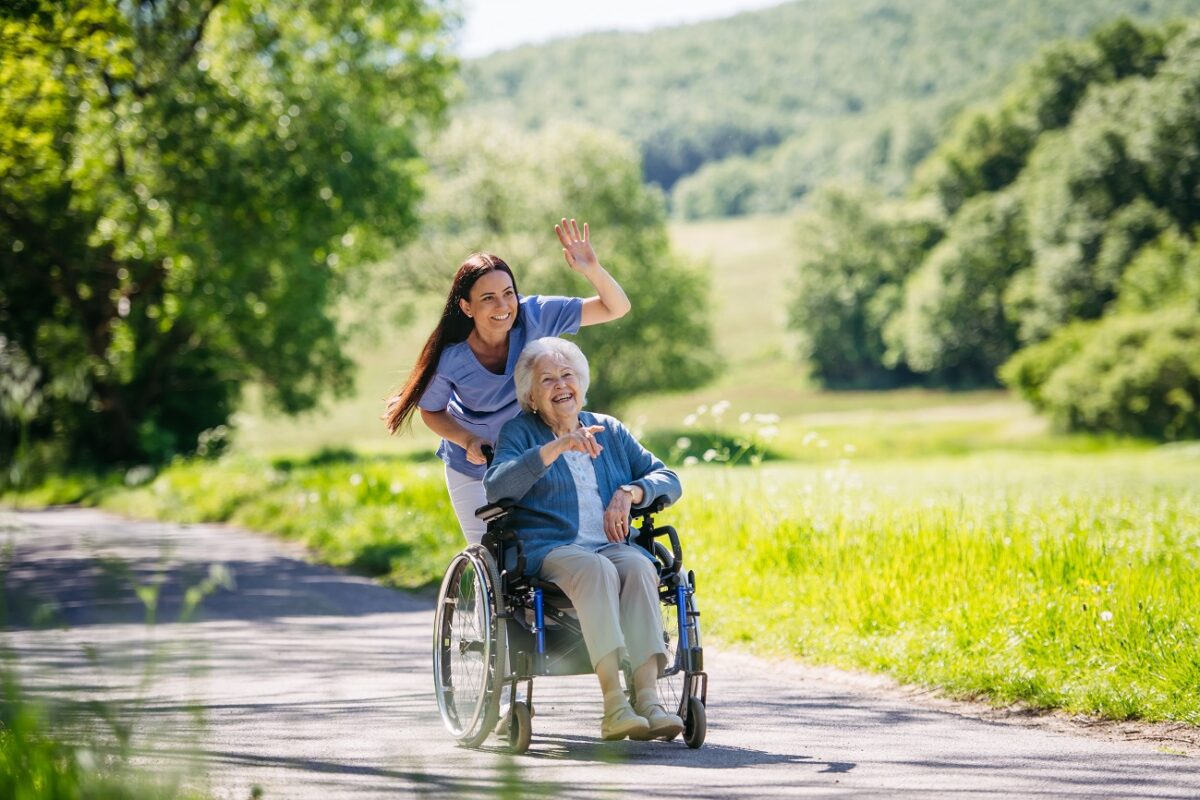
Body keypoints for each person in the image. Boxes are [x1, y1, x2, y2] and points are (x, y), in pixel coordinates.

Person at [484, 337, 685, 742]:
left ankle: (648, 700)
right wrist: (554, 448)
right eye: (547, 379)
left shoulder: (609, 429)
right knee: (596, 569)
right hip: (551, 550)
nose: (561, 385)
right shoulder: (520, 433)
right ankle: (615, 705)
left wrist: (630, 493)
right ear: (531, 395)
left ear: (582, 382)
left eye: (567, 375)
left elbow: (668, 478)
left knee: (640, 565)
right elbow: (496, 487)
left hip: (612, 546)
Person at [384, 219, 631, 544]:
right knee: (490, 554)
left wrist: (592, 269)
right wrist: (468, 440)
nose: (503, 307)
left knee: (543, 554)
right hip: (475, 467)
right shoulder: (451, 357)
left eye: (508, 293)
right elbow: (432, 410)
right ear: (466, 306)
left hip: (533, 459)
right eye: (488, 298)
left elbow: (617, 307)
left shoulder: (535, 315)